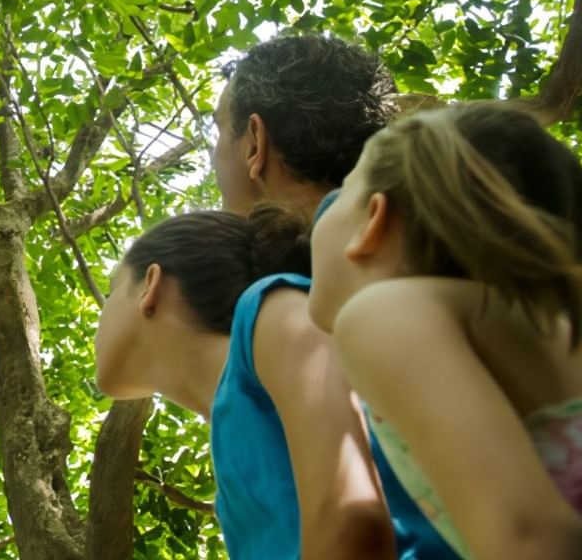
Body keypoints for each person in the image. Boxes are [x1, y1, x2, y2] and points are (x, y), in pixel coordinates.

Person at [210, 33, 461, 559]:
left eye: (218, 132)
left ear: (255, 142)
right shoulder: (451, 238)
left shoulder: (283, 303)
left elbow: (351, 522)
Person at [308, 102, 582, 559]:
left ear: (372, 220)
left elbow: (532, 539)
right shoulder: (539, 327)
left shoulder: (383, 314)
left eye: (342, 191)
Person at [96, 205, 396, 559]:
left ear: (150, 283)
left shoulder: (272, 310)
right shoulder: (228, 440)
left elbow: (353, 520)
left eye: (112, 288)